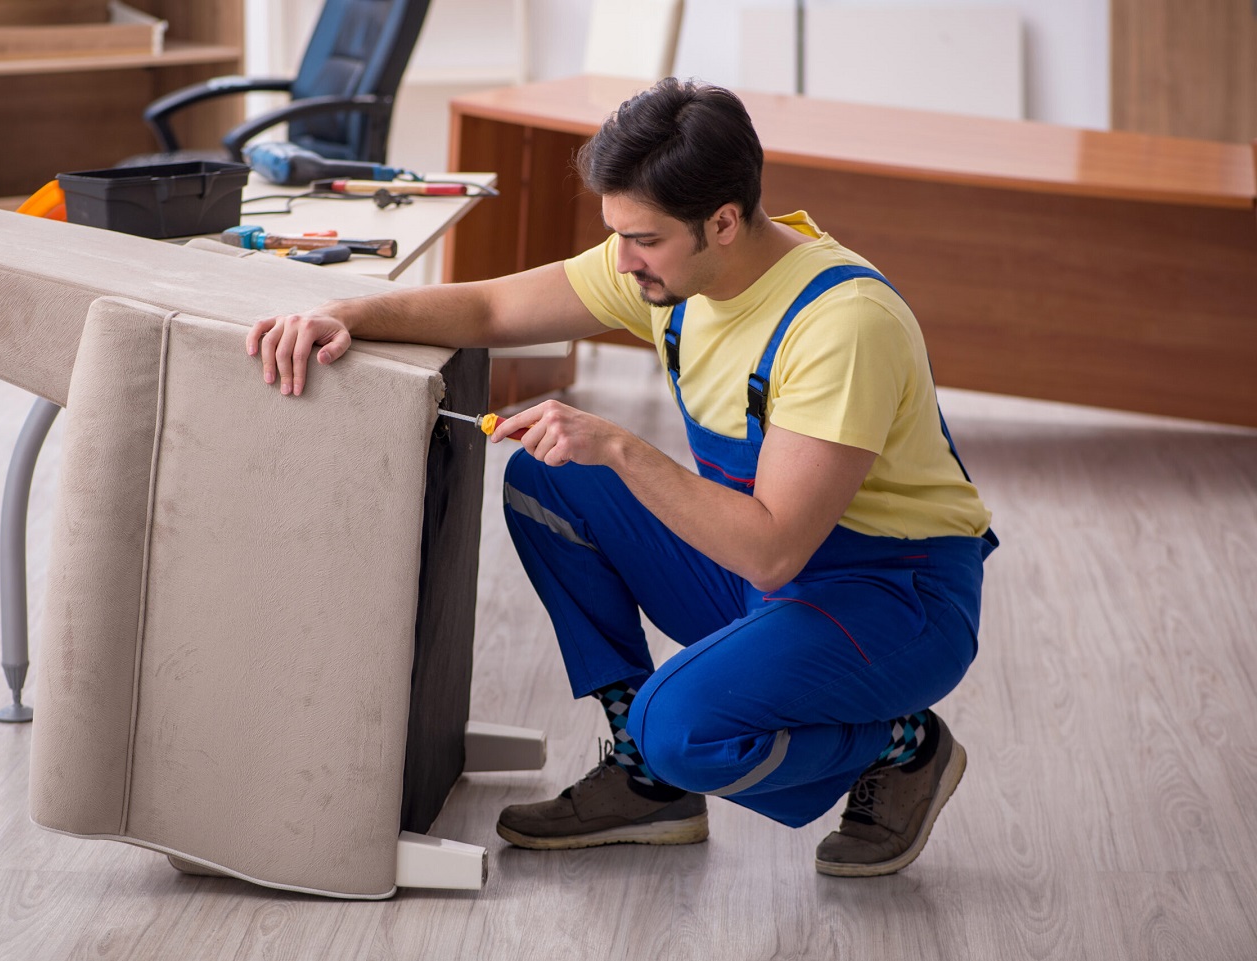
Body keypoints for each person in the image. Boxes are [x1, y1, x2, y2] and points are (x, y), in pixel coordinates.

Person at [246, 77, 996, 878]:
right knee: (552, 482)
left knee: (682, 726)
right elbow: (498, 311)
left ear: (725, 221)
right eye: (617, 233)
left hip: (893, 598)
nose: (622, 258)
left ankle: (907, 746)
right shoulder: (673, 267)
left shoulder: (839, 326)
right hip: (774, 569)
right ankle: (650, 785)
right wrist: (351, 313)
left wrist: (623, 446)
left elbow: (774, 549)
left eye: (642, 239)